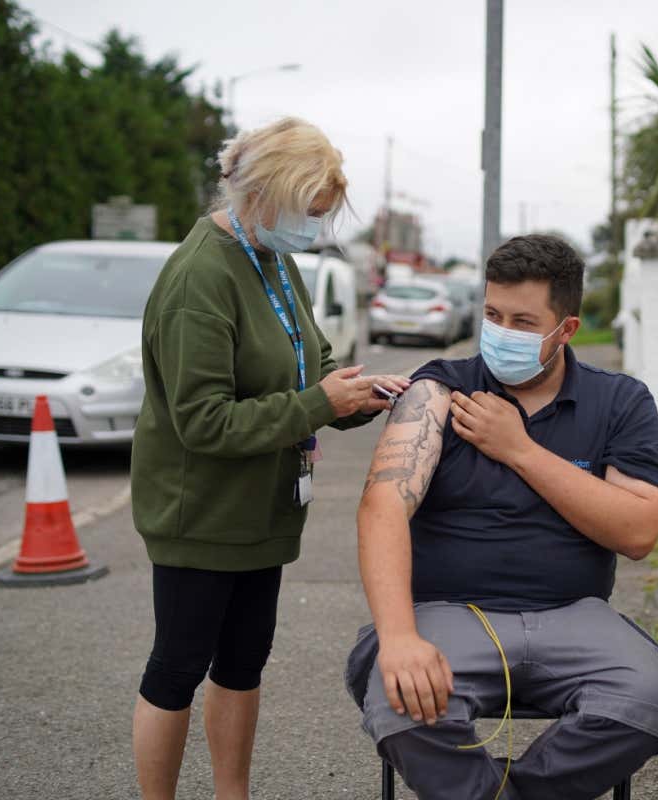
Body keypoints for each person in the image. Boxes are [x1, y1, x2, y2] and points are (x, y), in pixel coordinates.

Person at [130, 117, 409, 800]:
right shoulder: (201, 276)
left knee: (243, 666)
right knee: (177, 669)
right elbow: (202, 421)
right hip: (201, 516)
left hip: (262, 516)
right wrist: (320, 404)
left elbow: (311, 363)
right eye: (306, 212)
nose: (311, 229)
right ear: (261, 195)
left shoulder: (274, 261)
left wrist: (359, 395)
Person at [346, 234, 658, 800]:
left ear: (566, 329)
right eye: (492, 315)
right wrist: (399, 637)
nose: (502, 333)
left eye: (524, 322)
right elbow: (381, 509)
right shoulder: (439, 390)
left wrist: (520, 449)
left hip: (574, 616)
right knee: (400, 701)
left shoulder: (620, 402)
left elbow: (639, 532)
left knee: (647, 704)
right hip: (447, 614)